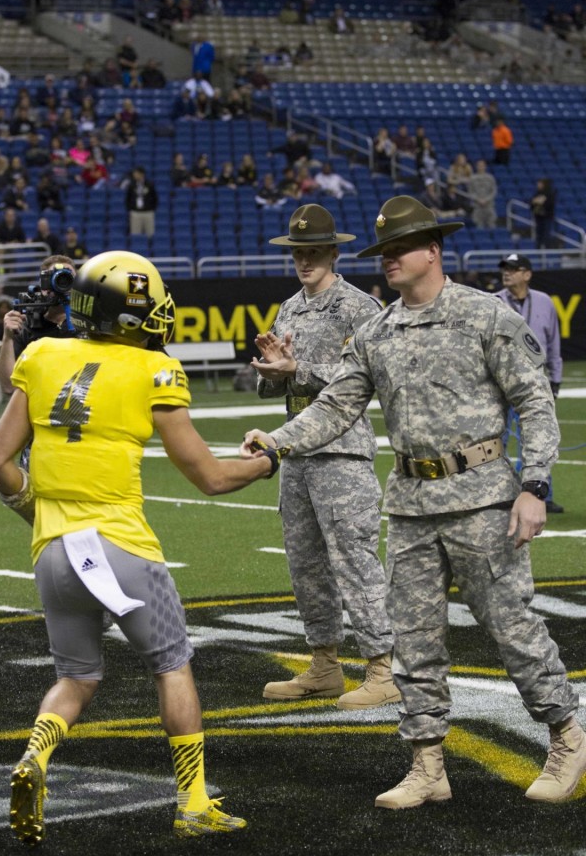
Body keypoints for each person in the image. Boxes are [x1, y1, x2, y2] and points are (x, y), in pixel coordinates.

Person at [242, 195, 586, 810]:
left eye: (399, 249)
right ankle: (427, 765)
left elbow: (535, 403)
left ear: (433, 250)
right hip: (409, 504)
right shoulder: (377, 331)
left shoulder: (485, 316)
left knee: (512, 630)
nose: (390, 261)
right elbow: (337, 405)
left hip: (482, 500)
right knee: (416, 642)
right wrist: (276, 444)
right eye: (384, 252)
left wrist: (535, 486)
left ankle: (565, 735)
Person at [0, 250, 276, 845]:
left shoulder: (39, 355)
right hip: (121, 547)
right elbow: (211, 478)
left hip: (54, 552)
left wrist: (36, 511)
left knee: (77, 677)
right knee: (172, 666)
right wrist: (272, 460)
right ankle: (193, 802)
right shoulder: (155, 370)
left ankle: (35, 757)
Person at [252, 204, 399, 708]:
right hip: (297, 453)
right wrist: (273, 371)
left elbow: (371, 378)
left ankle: (382, 669)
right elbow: (276, 383)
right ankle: (324, 665)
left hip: (341, 451)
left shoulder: (360, 308)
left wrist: (299, 368)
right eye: (297, 252)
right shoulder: (289, 308)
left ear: (334, 252)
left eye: (313, 251)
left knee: (355, 560)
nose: (304, 260)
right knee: (306, 562)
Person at [497, 252, 564, 514]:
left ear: (527, 274)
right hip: (502, 383)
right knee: (497, 441)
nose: (507, 273)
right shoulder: (493, 302)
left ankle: (543, 495)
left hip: (536, 382)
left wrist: (555, 381)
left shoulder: (545, 302)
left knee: (538, 438)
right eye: (505, 269)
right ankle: (499, 494)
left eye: (514, 269)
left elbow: (554, 343)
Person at [0, 254, 77, 396]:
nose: (62, 283)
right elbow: (9, 386)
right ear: (43, 285)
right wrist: (7, 338)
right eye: (54, 277)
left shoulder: (89, 325)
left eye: (67, 277)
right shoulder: (27, 326)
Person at [125, 166, 158, 240]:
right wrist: (131, 209)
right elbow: (128, 198)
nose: (134, 175)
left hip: (148, 213)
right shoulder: (132, 185)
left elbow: (155, 198)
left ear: (141, 174)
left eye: (136, 173)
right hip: (136, 213)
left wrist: (151, 208)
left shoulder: (149, 185)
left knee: (150, 235)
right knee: (135, 236)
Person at [466, 159, 497, 229]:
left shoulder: (490, 178)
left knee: (492, 224)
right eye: (479, 165)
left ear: (485, 166)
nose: (481, 167)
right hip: (477, 206)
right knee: (478, 225)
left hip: (489, 205)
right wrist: (478, 199)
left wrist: (486, 199)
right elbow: (470, 192)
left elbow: (493, 191)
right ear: (476, 166)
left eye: (482, 165)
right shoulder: (472, 178)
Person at [530, 178, 556, 249]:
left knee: (546, 234)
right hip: (538, 217)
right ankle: (538, 249)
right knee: (539, 235)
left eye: (540, 183)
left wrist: (541, 202)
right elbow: (532, 203)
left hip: (547, 217)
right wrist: (536, 201)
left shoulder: (550, 193)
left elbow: (549, 204)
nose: (538, 185)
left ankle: (547, 249)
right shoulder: (537, 193)